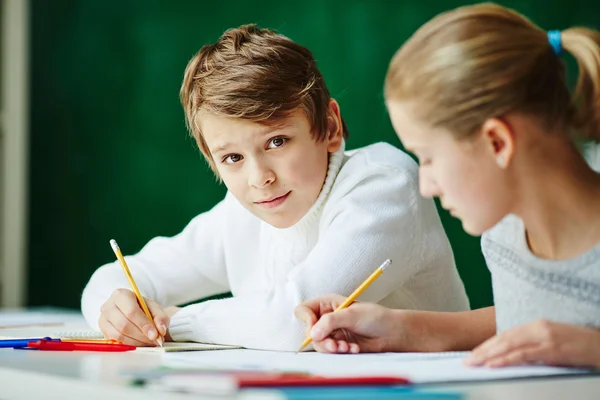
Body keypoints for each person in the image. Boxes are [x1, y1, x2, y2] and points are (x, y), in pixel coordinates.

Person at [80, 24, 469, 351]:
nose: (259, 178)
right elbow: (112, 278)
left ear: (330, 127)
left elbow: (294, 322)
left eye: (277, 142)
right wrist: (117, 310)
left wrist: (173, 321)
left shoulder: (382, 185)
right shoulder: (243, 212)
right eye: (232, 158)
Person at [295, 3, 600, 368]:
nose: (426, 186)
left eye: (427, 157)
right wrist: (399, 327)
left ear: (497, 143)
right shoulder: (504, 227)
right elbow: (527, 319)